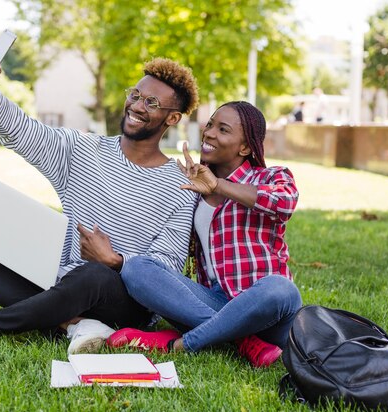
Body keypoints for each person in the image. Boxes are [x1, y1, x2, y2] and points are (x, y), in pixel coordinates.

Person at [0, 54, 200, 354]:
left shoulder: (181, 185)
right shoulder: (82, 150)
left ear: (172, 118)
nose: (136, 105)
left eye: (152, 102)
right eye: (135, 94)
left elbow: (169, 266)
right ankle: (74, 325)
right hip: (64, 281)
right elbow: (25, 131)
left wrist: (115, 260)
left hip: (124, 302)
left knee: (93, 275)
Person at [107, 101, 302, 367]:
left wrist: (220, 186)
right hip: (215, 301)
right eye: (209, 124)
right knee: (136, 268)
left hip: (265, 309)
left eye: (223, 130)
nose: (209, 133)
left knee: (281, 288)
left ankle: (179, 343)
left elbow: (284, 202)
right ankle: (243, 342)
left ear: (245, 147)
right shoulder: (195, 191)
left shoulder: (269, 176)